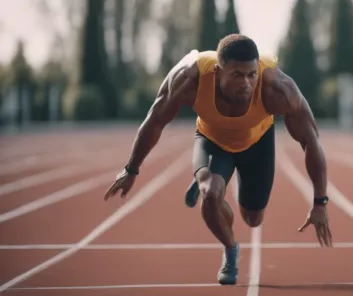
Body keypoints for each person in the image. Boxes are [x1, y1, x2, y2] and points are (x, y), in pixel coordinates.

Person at [103, 34, 333, 285]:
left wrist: (320, 202)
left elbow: (311, 140)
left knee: (253, 219)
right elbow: (155, 120)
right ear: (217, 70)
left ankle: (208, 179)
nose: (246, 83)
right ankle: (230, 247)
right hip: (212, 139)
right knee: (211, 195)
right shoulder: (189, 79)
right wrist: (131, 169)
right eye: (237, 75)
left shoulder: (278, 89)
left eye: (251, 74)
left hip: (256, 143)